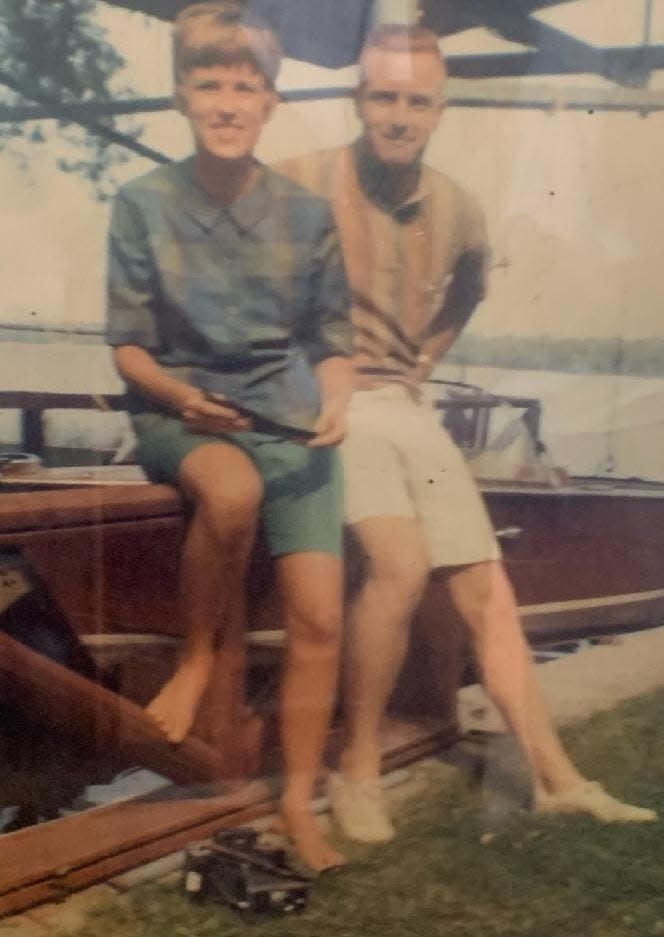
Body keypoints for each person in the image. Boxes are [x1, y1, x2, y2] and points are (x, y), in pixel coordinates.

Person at [277, 23, 657, 842]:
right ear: (358, 99)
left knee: (491, 593)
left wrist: (422, 361)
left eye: (417, 101)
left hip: (406, 409)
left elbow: (470, 289)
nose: (399, 115)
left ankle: (557, 779)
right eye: (384, 96)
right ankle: (357, 771)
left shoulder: (455, 206)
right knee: (402, 566)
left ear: (439, 110)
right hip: (336, 407)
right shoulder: (300, 184)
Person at [107, 1, 354, 872]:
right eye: (209, 84)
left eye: (244, 86)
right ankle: (198, 654)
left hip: (285, 416)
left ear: (269, 103)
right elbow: (129, 347)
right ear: (181, 96)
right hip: (183, 414)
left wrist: (335, 399)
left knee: (321, 617)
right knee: (233, 490)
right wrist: (183, 397)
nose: (226, 102)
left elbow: (332, 343)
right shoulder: (142, 204)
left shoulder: (307, 212)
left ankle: (297, 801)